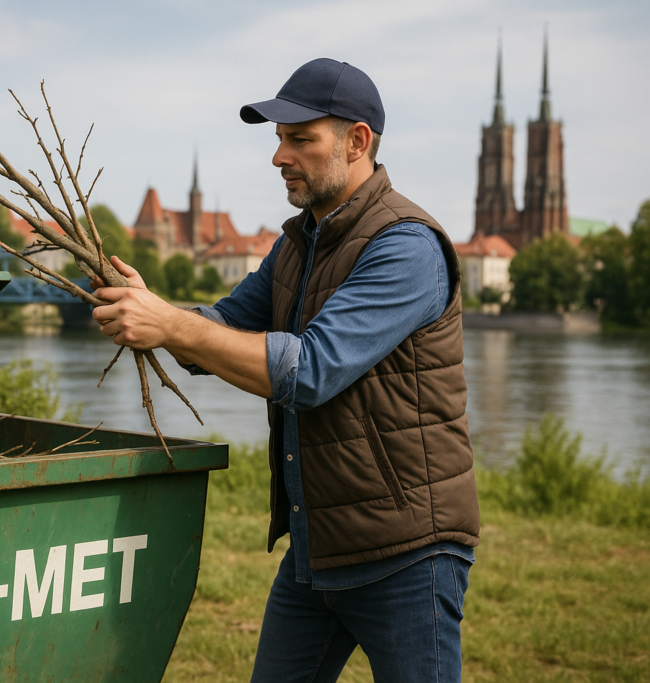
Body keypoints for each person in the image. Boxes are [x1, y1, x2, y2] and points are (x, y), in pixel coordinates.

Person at [92, 58, 480, 683]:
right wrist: (148, 308)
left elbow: (309, 371)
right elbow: (219, 326)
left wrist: (169, 323)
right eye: (278, 139)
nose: (279, 155)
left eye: (300, 138)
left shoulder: (407, 247)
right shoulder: (298, 241)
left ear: (358, 141)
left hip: (410, 554)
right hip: (318, 547)